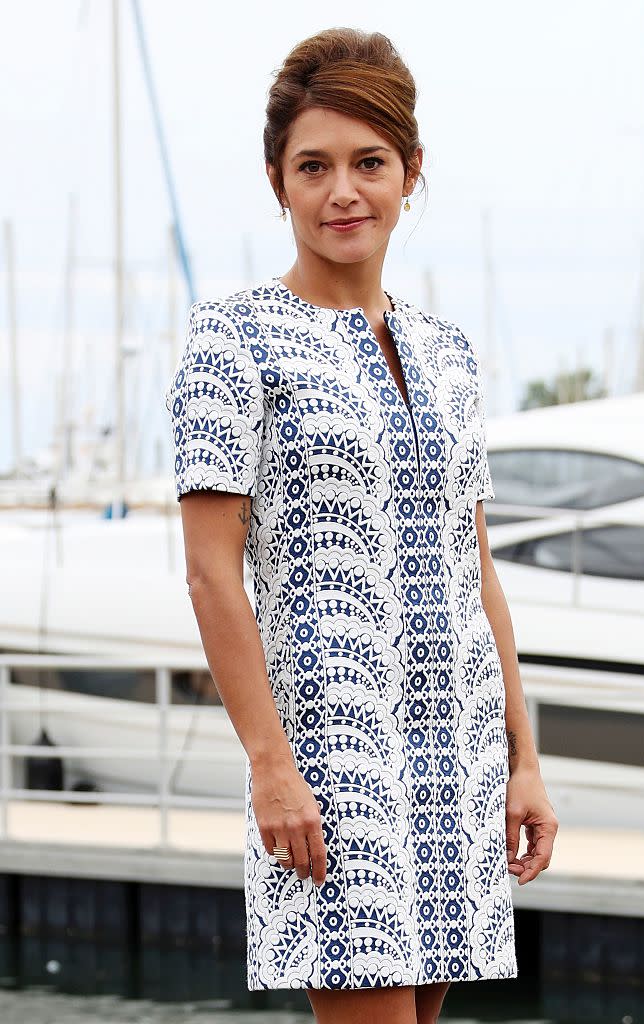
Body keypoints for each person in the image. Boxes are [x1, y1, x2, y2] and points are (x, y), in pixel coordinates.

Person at [165, 25, 558, 1024]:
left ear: (410, 172)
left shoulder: (449, 352)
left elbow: (475, 567)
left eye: (368, 163)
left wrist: (523, 758)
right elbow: (212, 577)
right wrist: (269, 766)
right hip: (331, 764)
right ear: (277, 183)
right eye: (314, 166)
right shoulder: (232, 340)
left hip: (456, 755)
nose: (343, 191)